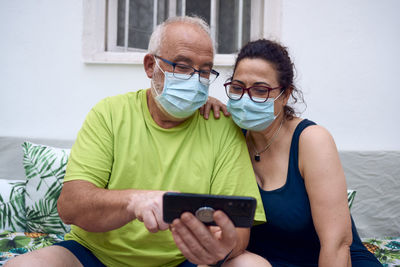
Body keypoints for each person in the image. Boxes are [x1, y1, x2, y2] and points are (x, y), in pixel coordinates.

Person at [5, 17, 266, 267]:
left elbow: (239, 230)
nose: (195, 80)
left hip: (185, 261)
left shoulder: (221, 125)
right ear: (150, 66)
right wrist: (134, 201)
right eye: (183, 66)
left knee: (252, 265)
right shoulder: (110, 113)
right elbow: (71, 206)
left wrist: (220, 249)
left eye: (205, 71)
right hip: (95, 256)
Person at [201, 39, 382, 266]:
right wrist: (200, 101)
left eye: (260, 90)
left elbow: (336, 244)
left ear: (285, 95)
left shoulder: (311, 140)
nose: (245, 98)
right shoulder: (231, 136)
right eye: (237, 88)